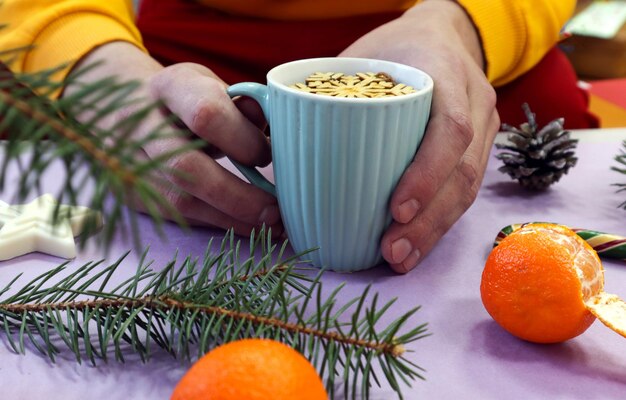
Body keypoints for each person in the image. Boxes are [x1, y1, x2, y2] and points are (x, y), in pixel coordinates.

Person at [0, 0, 595, 273]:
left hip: (441, 35)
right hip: (176, 52)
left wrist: (463, 22)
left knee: (554, 108)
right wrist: (90, 65)